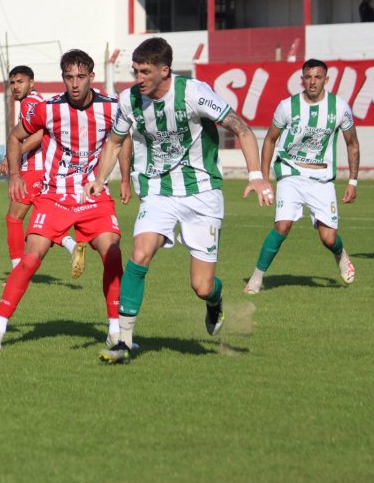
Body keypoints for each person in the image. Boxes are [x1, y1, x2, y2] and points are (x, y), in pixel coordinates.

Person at [86, 37, 273, 364]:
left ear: (165, 70)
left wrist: (255, 175)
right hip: (158, 191)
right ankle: (124, 342)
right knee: (140, 254)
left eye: (145, 72)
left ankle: (215, 303)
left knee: (201, 286)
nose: (138, 78)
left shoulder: (194, 93)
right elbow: (115, 142)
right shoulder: (129, 100)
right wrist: (100, 179)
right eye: (135, 71)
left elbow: (242, 129)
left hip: (202, 193)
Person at [0, 49, 132, 351]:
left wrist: (125, 177)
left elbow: (123, 138)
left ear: (92, 77)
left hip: (93, 195)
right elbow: (15, 137)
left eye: (80, 76)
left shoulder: (113, 107)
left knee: (113, 254)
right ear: (62, 78)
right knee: (30, 258)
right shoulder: (48, 109)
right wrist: (15, 175)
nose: (75, 83)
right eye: (68, 77)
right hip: (54, 195)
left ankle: (116, 332)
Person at [245, 59, 359, 293]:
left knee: (328, 238)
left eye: (318, 77)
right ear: (302, 79)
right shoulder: (287, 106)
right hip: (291, 173)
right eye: (308, 77)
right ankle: (257, 278)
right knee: (282, 226)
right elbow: (269, 140)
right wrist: (265, 179)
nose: (312, 82)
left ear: (326, 80)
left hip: (322, 178)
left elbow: (352, 144)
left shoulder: (339, 108)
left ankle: (340, 254)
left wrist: (352, 181)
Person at [0, 65, 83, 275]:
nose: (16, 87)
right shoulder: (38, 101)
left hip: (34, 170)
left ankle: (17, 273)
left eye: (20, 82)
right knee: (42, 221)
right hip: (44, 170)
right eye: (12, 83)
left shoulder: (30, 103)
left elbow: (37, 135)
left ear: (31, 83)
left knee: (14, 219)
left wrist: (11, 157)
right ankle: (73, 246)